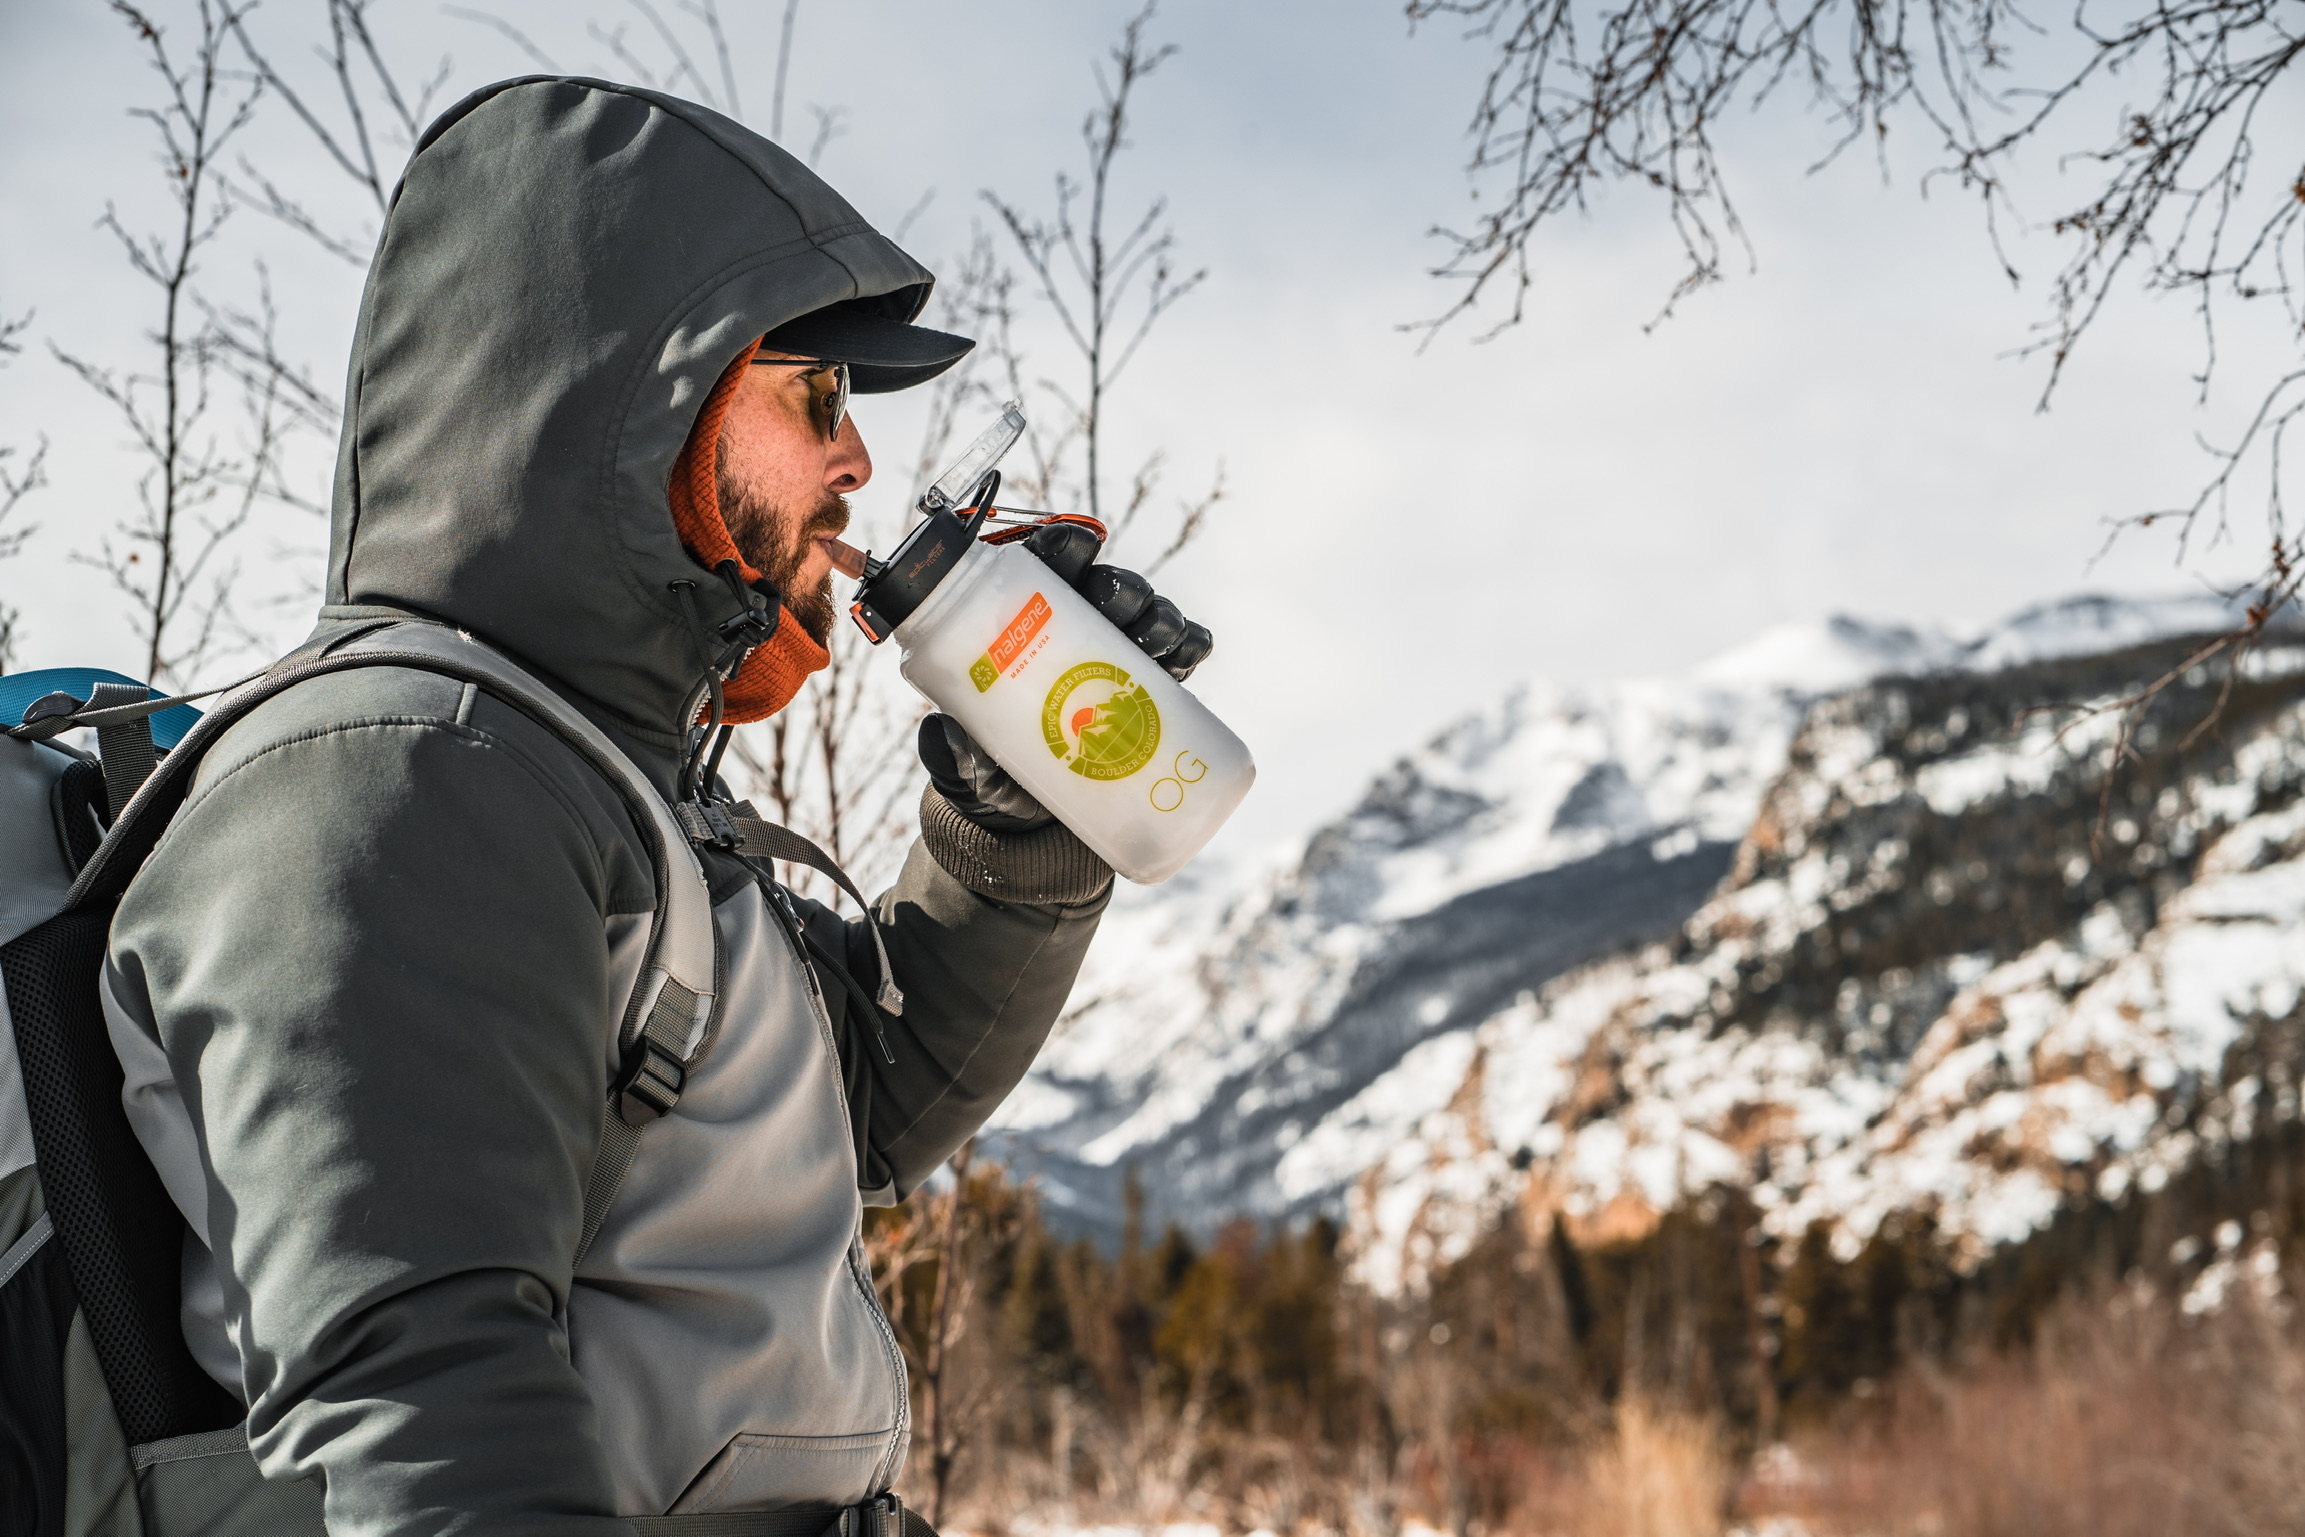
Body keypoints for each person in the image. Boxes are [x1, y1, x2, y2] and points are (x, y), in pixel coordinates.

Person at [98, 76, 1211, 1532]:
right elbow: (424, 1406)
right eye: (812, 393)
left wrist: (1016, 822)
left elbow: (859, 1106)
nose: (859, 457)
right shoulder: (400, 778)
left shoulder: (600, 783)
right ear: (635, 398)